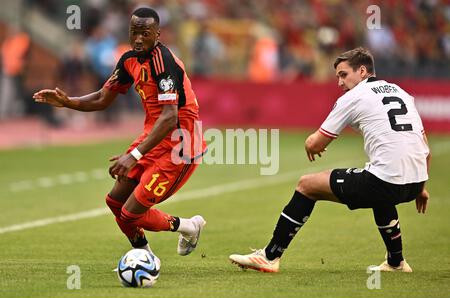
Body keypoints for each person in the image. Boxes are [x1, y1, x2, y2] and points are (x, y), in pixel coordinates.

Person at [229, 47, 430, 273]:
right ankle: (396, 262)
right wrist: (421, 188)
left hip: (387, 182)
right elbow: (425, 150)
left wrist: (309, 144)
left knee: (307, 185)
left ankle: (269, 256)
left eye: (343, 74)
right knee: (382, 186)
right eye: (337, 77)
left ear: (362, 71)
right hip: (415, 183)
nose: (339, 82)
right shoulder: (402, 93)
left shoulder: (354, 97)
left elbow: (316, 143)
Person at [33, 7, 207, 260]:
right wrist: (67, 101)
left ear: (157, 34)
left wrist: (133, 155)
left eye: (144, 33)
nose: (138, 39)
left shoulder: (164, 62)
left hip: (182, 145)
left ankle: (190, 226)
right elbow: (104, 98)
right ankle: (145, 257)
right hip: (154, 138)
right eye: (134, 32)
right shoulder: (128, 60)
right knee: (115, 203)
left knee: (131, 214)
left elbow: (170, 117)